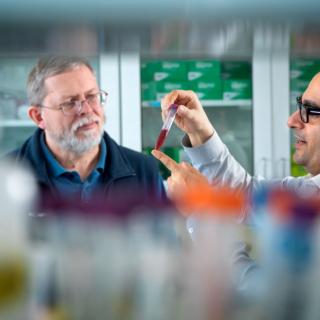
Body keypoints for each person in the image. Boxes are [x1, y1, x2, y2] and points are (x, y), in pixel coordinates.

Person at [5, 56, 166, 206]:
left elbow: (163, 236)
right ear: (38, 117)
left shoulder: (143, 171)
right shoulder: (6, 176)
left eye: (92, 96)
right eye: (69, 103)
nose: (87, 110)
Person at [152, 74, 320, 213]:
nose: (291, 121)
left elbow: (236, 255)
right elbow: (244, 195)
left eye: (311, 111)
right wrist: (199, 131)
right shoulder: (308, 189)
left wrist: (202, 208)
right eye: (301, 105)